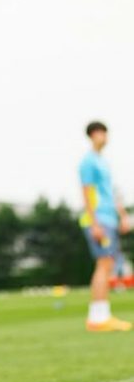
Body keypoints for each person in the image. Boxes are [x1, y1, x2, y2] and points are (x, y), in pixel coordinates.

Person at [78, 122, 131, 331]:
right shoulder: (88, 162)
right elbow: (87, 193)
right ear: (92, 135)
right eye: (100, 133)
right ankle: (99, 318)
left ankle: (100, 315)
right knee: (104, 263)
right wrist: (94, 223)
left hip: (109, 219)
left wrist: (123, 216)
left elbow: (111, 192)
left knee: (107, 264)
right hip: (99, 219)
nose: (104, 137)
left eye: (105, 133)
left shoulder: (103, 162)